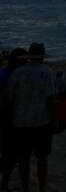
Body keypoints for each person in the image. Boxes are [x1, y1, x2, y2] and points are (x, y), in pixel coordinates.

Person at [8, 43, 56, 192]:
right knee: (42, 158)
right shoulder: (47, 72)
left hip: (21, 121)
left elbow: (10, 98)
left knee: (23, 158)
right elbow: (50, 99)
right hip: (42, 121)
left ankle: (25, 188)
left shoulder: (18, 73)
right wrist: (54, 119)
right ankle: (42, 188)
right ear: (42, 56)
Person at [0, 48, 27, 191]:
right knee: (17, 156)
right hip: (14, 120)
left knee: (8, 154)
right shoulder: (16, 75)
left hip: (7, 120)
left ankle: (4, 183)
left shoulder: (4, 73)